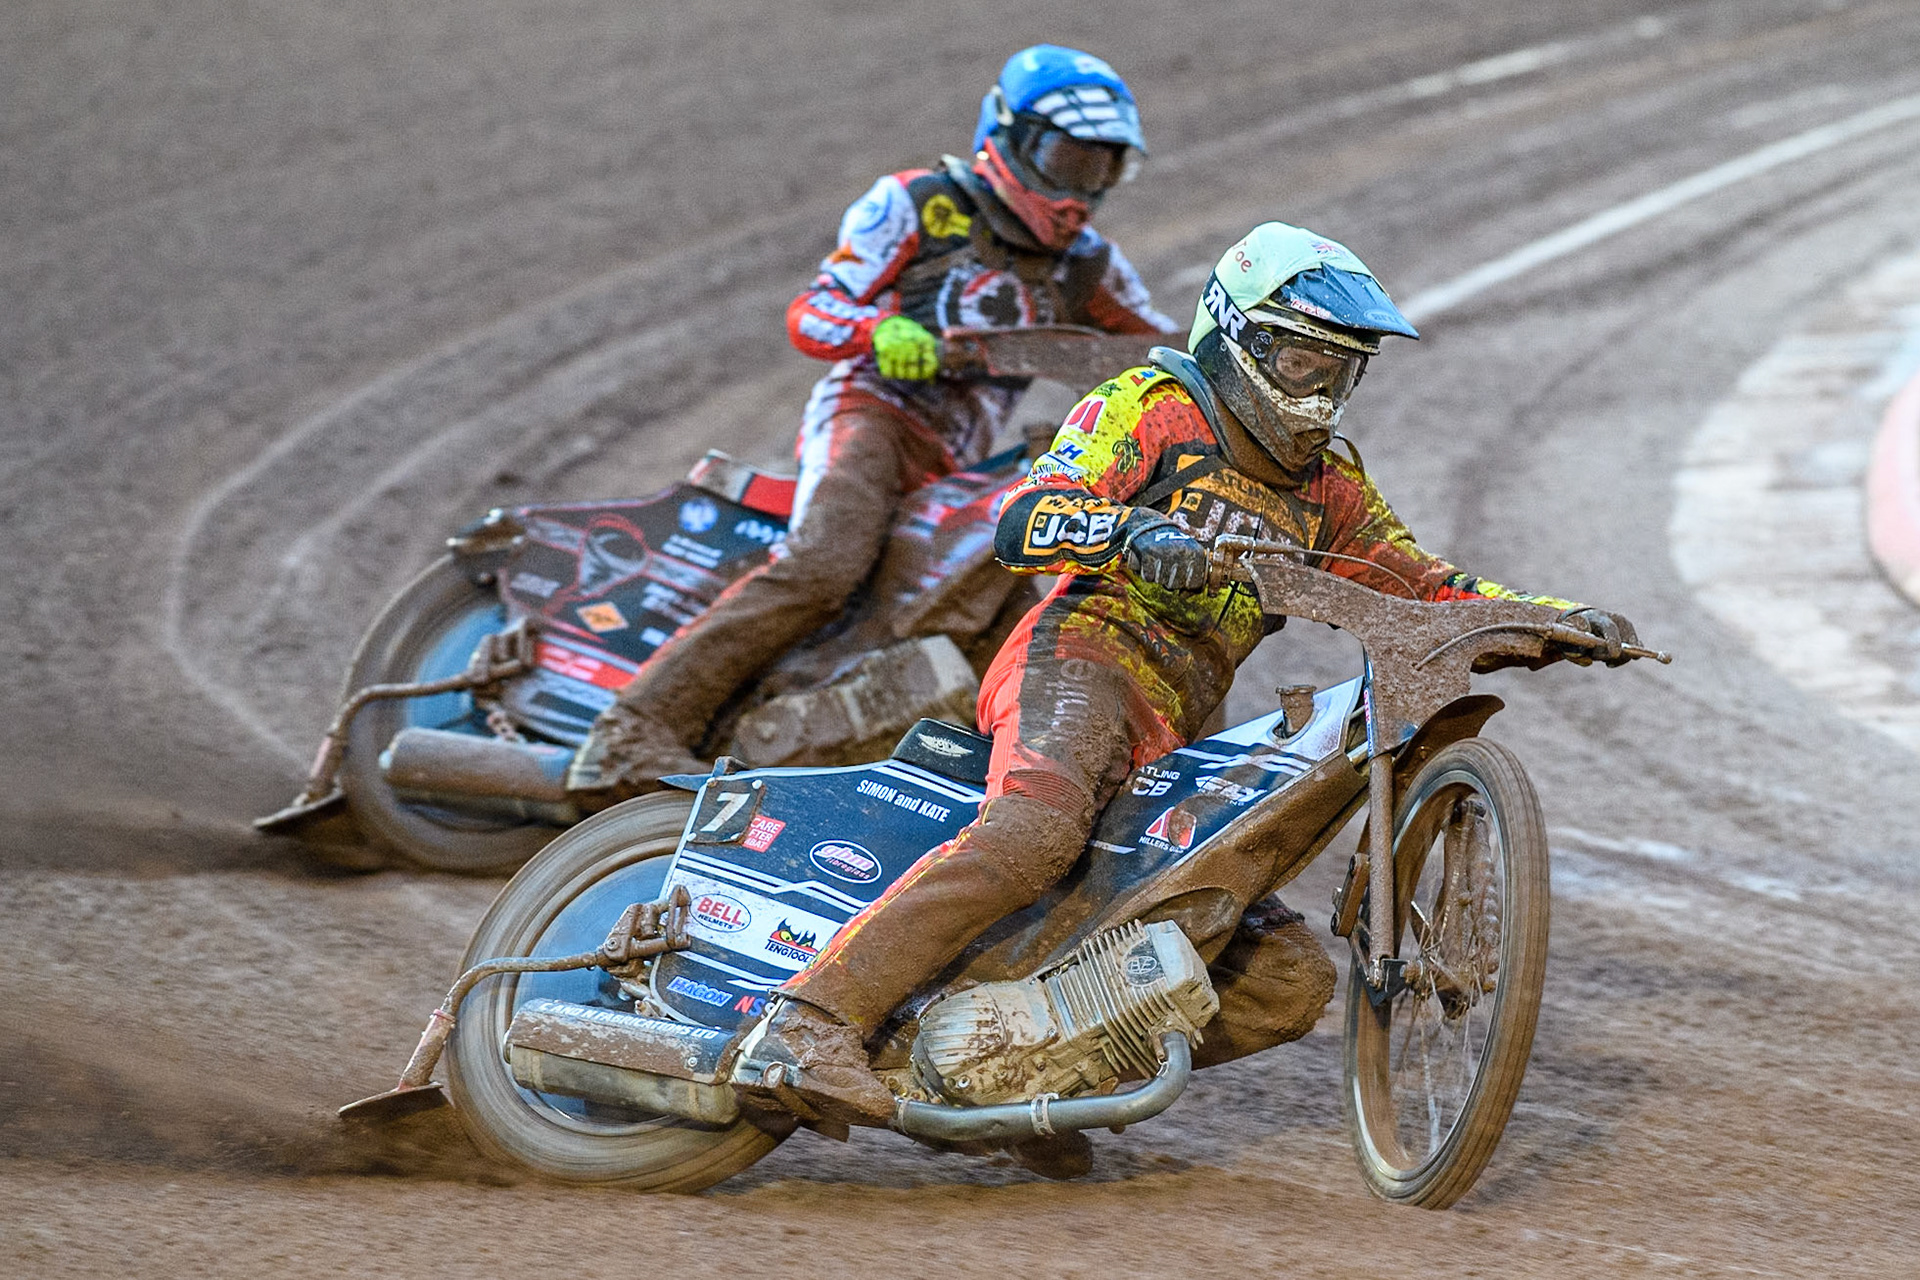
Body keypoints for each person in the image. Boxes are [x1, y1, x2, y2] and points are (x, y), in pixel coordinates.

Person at [737, 221, 1640, 1130]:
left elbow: (1422, 582)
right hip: (1083, 656)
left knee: (1285, 983)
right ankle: (808, 1021)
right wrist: (1131, 531)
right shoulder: (1156, 407)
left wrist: (1545, 620)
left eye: (1338, 371)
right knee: (1038, 832)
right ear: (1237, 335)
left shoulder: (1330, 489)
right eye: (1299, 362)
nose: (1318, 390)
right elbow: (1027, 516)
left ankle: (1021, 1081)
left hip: (1182, 727)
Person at [567, 44, 1179, 800]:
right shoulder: (919, 204)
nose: (1079, 192)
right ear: (1011, 139)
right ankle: (628, 731)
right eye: (1066, 160)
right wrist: (876, 332)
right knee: (826, 561)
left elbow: (1163, 356)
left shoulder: (1089, 266)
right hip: (871, 413)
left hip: (960, 466)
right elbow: (812, 310)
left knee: (1009, 619)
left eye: (1101, 170)